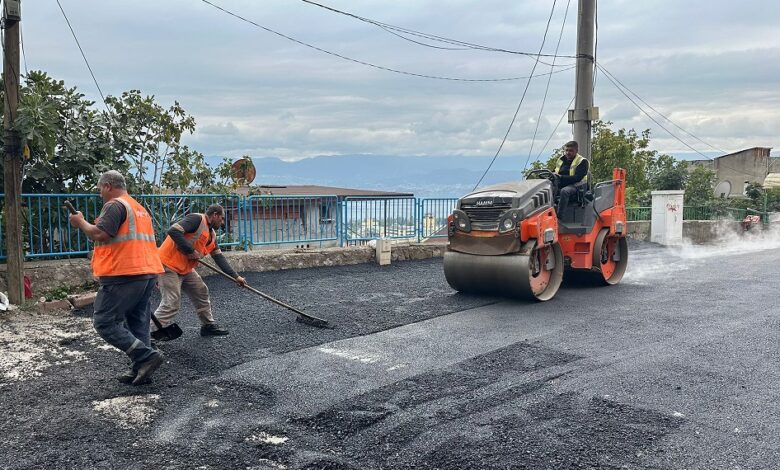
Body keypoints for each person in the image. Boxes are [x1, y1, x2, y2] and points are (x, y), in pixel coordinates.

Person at [68, 170, 165, 386]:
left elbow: (100, 233)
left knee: (104, 322)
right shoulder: (139, 208)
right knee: (137, 321)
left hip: (123, 274)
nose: (100, 193)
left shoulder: (115, 205)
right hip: (146, 272)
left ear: (108, 186)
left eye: (100, 188)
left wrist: (80, 222)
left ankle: (146, 356)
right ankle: (141, 368)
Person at [151, 204, 247, 340]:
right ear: (215, 215)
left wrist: (236, 277)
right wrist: (190, 251)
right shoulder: (196, 219)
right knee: (171, 302)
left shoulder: (212, 235)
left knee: (201, 291)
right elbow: (173, 231)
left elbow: (219, 258)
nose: (223, 222)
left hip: (185, 269)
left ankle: (208, 326)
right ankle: (147, 335)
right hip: (168, 266)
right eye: (222, 218)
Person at [555, 140, 590, 217]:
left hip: (578, 185)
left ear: (576, 151)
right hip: (562, 182)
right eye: (566, 150)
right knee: (547, 187)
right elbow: (555, 171)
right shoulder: (561, 160)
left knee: (564, 191)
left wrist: (561, 177)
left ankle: (559, 217)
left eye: (571, 150)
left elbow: (577, 178)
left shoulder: (582, 161)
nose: (568, 152)